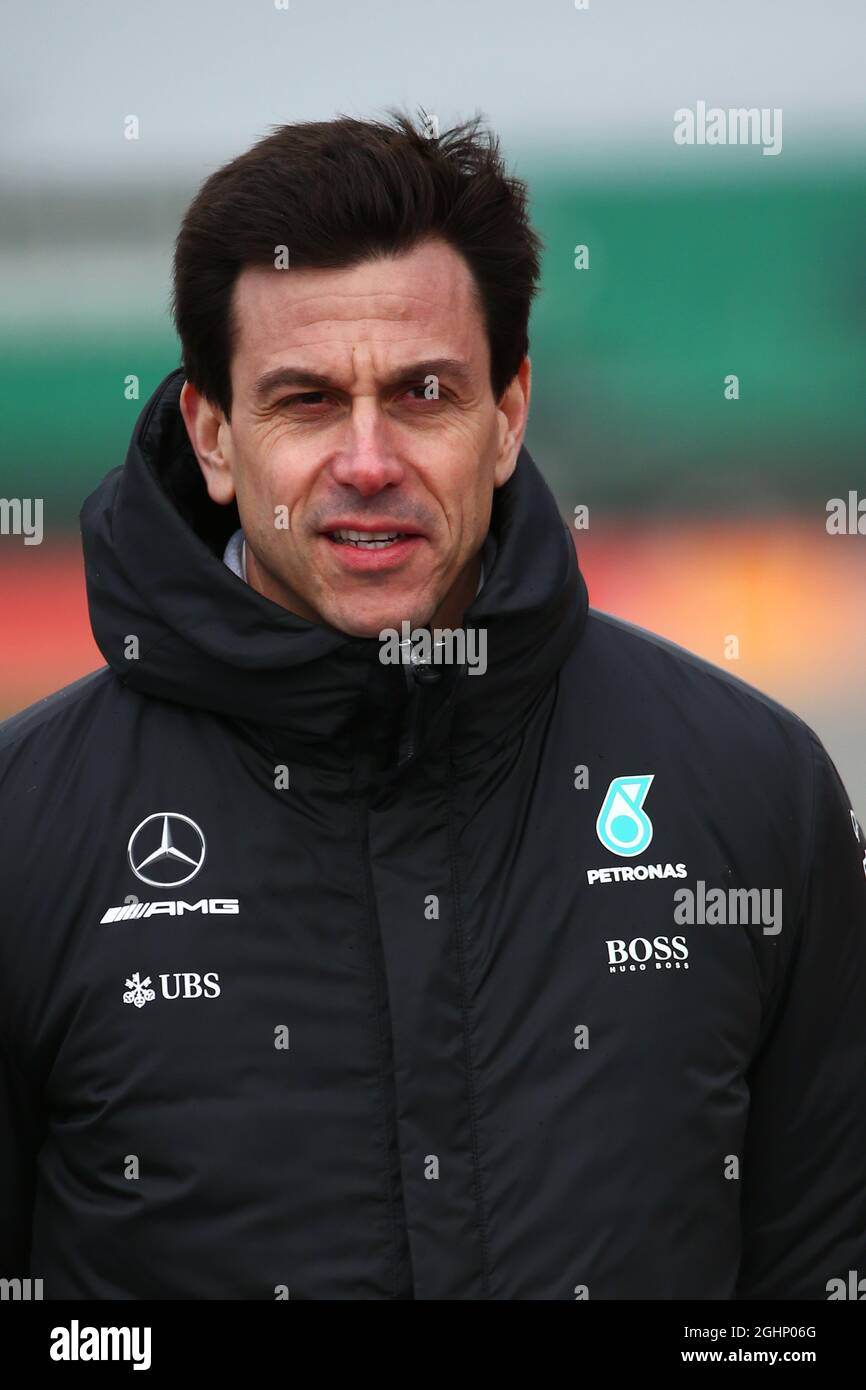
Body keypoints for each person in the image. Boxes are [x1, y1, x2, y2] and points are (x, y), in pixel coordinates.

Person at [1, 111, 864, 1301]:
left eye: (422, 393)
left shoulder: (751, 787)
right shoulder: (26, 830)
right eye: (303, 401)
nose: (366, 460)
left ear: (506, 416)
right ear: (210, 434)